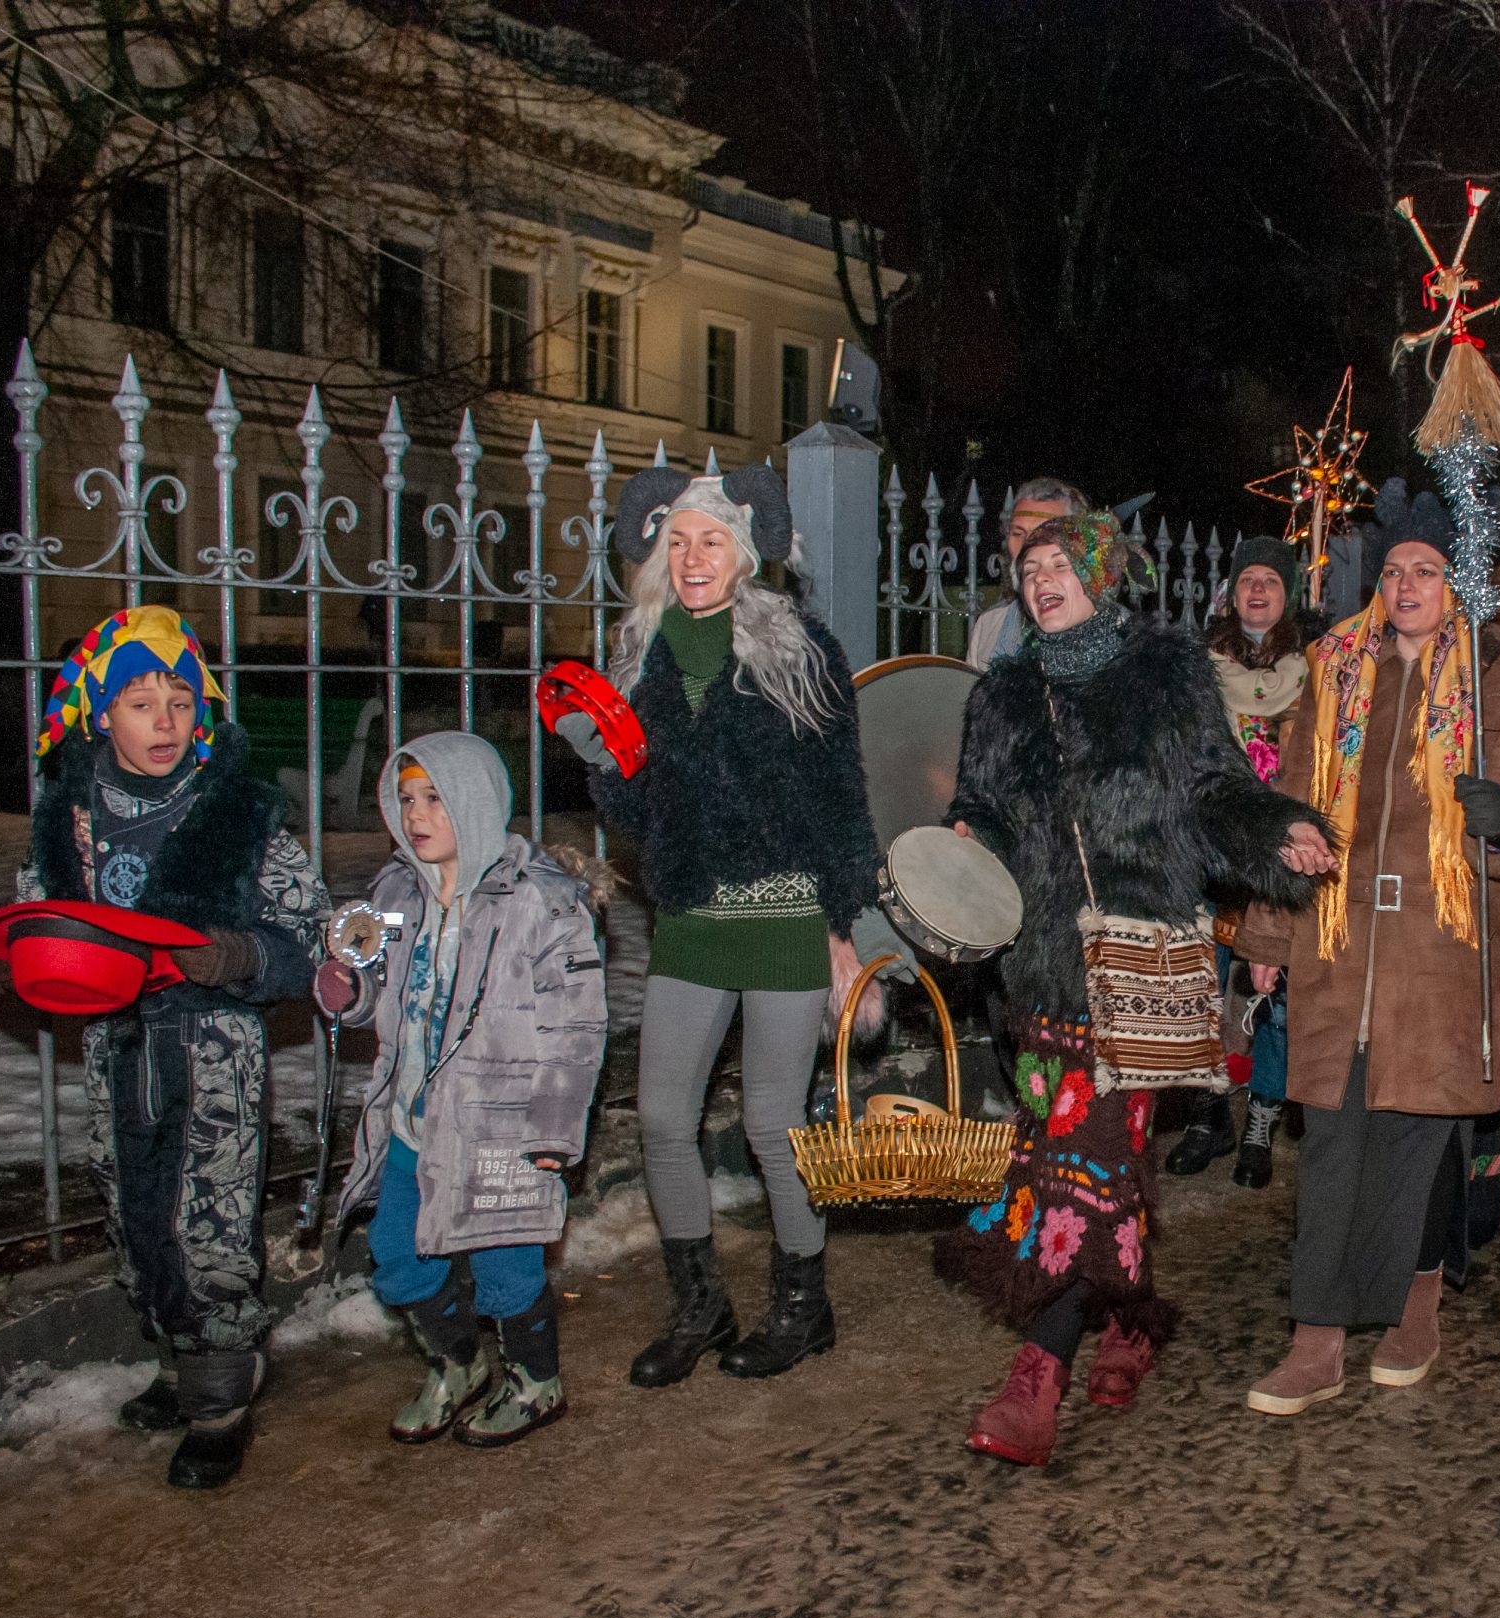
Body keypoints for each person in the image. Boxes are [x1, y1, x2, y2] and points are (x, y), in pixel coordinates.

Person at [936, 512, 1331, 1467]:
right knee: (1083, 1158)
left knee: (1083, 1172)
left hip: (1138, 960)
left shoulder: (1167, 673)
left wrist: (1277, 830)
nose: (1042, 580)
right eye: (1028, 568)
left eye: (1061, 564)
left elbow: (1212, 789)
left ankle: (1039, 1376)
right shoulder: (1003, 693)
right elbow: (981, 809)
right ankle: (1135, 1319)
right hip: (1038, 968)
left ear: (1102, 577)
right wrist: (962, 848)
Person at [1234, 479, 1500, 1415]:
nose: (1407, 585)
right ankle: (1317, 1336)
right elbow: (1291, 807)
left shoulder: (1496, 679)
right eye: (1394, 572)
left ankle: (1417, 1306)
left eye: (1426, 570)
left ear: (1456, 584)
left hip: (1439, 946)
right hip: (1339, 941)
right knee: (1333, 1137)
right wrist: (1266, 931)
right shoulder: (1336, 672)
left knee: (1423, 1135)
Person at [555, 466, 881, 1391]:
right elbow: (636, 806)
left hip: (785, 915)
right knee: (663, 1117)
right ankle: (701, 1304)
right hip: (692, 916)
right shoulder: (639, 657)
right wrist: (600, 758)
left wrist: (843, 922)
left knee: (775, 1127)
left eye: (713, 540)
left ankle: (802, 1307)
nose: (694, 558)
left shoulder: (800, 651)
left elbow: (838, 797)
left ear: (745, 552)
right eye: (680, 541)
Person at [18, 607, 326, 1489]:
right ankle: (175, 1358)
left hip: (212, 1048)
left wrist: (235, 955)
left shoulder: (239, 815)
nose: (165, 720)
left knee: (209, 1220)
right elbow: (38, 915)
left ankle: (222, 1392)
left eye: (182, 700)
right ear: (99, 714)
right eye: (142, 702)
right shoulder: (68, 818)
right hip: (117, 1048)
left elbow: (306, 940)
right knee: (135, 1209)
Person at [319, 733, 608, 1448]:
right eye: (406, 799)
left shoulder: (539, 903)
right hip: (414, 1119)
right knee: (396, 1253)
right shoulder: (396, 892)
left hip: (504, 1126)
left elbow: (576, 1026)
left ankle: (537, 1382)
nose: (415, 816)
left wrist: (555, 1127)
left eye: (435, 799)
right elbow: (376, 993)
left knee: (507, 1268)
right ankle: (458, 1362)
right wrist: (349, 991)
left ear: (475, 804)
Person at [1166, 535, 1309, 1187]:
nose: (1257, 590)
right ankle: (1209, 1111)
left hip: (1277, 853)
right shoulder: (1202, 666)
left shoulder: (1313, 671)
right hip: (1211, 849)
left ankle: (1263, 1117)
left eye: (1270, 582)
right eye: (1248, 579)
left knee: (1273, 992)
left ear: (1288, 596)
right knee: (1200, 987)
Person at [964, 477, 1089, 670]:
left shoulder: (1123, 634)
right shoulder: (989, 626)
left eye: (1044, 533)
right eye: (1018, 533)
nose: (1026, 547)